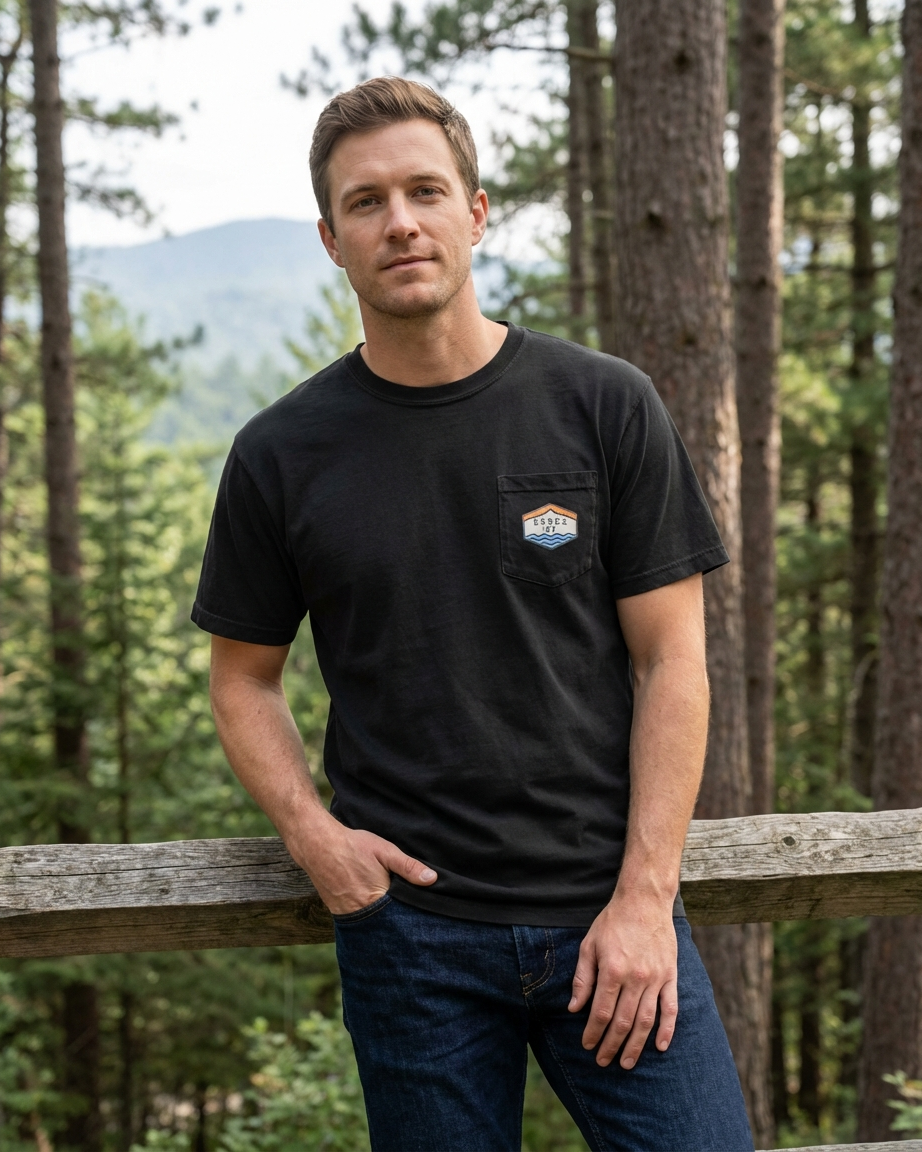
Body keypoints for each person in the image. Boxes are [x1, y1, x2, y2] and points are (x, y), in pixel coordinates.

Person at [192, 76, 755, 1152]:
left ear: (475, 210)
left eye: (423, 190)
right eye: (366, 203)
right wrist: (313, 838)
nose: (399, 222)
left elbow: (672, 661)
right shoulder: (280, 452)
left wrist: (644, 899)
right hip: (413, 941)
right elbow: (242, 678)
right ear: (331, 239)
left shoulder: (602, 404)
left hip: (611, 915)